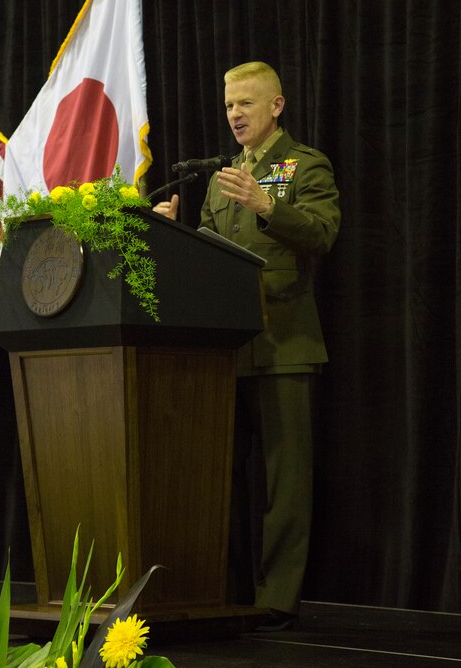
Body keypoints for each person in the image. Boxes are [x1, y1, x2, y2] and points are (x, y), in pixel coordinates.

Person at [153, 61, 340, 630]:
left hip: (285, 343)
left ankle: (277, 599)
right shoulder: (220, 177)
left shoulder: (303, 165)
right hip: (226, 349)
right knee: (216, 479)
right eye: (230, 104)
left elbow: (323, 232)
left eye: (247, 104)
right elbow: (211, 257)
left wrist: (268, 206)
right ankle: (222, 590)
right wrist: (170, 234)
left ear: (276, 106)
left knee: (286, 482)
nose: (235, 114)